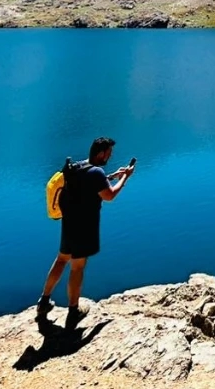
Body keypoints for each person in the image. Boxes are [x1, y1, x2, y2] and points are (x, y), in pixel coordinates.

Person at [36, 136, 135, 327]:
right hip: (85, 225)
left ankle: (44, 301)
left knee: (61, 260)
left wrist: (111, 176)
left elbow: (90, 184)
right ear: (101, 153)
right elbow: (109, 196)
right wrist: (125, 177)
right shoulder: (96, 172)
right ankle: (74, 311)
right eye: (108, 153)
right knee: (77, 267)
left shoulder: (78, 166)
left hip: (69, 222)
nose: (109, 157)